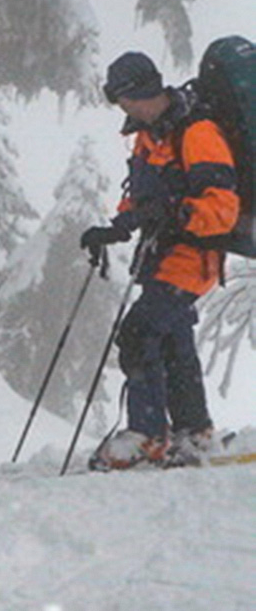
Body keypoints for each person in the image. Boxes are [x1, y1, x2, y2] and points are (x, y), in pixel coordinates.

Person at [80, 51, 239, 470]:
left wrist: (176, 213)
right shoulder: (148, 135)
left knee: (139, 332)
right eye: (120, 103)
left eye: (127, 99)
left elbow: (223, 206)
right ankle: (195, 432)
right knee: (171, 339)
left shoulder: (197, 132)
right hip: (161, 257)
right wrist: (117, 227)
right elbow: (141, 196)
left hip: (192, 256)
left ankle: (147, 435)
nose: (125, 109)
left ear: (146, 89)